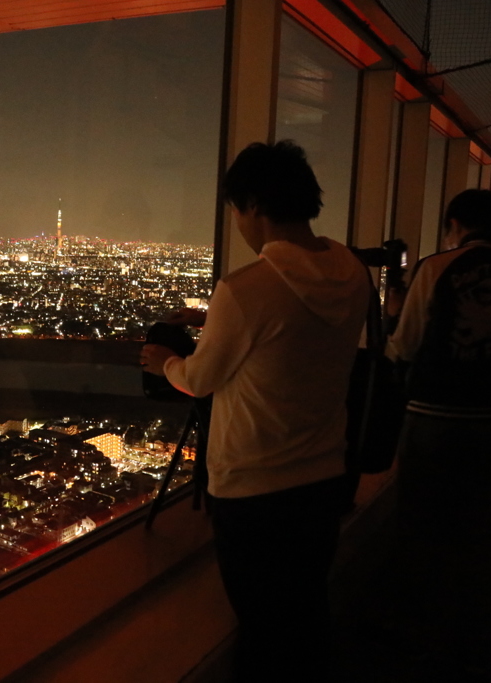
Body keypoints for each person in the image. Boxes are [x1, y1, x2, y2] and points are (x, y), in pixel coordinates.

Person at [140, 141, 369, 681]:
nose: (240, 224)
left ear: (256, 206)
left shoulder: (246, 289)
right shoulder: (353, 272)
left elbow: (200, 380)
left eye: (237, 211)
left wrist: (166, 361)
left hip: (254, 489)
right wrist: (216, 320)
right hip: (324, 476)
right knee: (305, 608)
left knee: (262, 626)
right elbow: (290, 336)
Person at [386, 189, 491, 666]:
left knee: (420, 520)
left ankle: (416, 628)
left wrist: (393, 319)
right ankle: (467, 629)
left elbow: (406, 346)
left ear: (453, 222)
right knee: (473, 523)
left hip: (432, 414)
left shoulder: (436, 269)